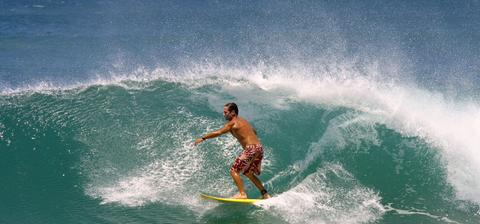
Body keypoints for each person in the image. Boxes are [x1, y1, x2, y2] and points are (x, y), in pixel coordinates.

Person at [194, 102, 271, 199]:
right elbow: (254, 132)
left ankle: (242, 194)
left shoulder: (232, 123)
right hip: (259, 148)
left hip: (251, 149)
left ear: (233, 112)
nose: (224, 114)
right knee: (248, 173)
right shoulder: (244, 121)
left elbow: (218, 132)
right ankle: (265, 194)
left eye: (225, 112)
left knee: (234, 170)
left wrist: (203, 138)